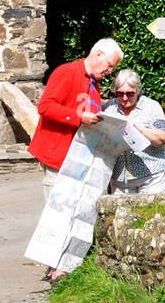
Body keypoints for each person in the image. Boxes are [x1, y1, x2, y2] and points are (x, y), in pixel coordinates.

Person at [26, 38, 122, 280]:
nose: (109, 72)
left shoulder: (95, 85)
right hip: (58, 154)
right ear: (98, 54)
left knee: (75, 208)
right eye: (109, 66)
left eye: (112, 68)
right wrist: (78, 118)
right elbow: (45, 106)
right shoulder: (67, 72)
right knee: (58, 208)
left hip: (79, 157)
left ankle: (63, 264)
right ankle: (55, 264)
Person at [101, 70, 165, 195]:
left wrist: (141, 131)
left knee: (152, 213)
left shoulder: (152, 107)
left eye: (130, 93)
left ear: (138, 90)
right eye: (120, 93)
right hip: (119, 179)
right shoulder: (108, 108)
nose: (125, 98)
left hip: (152, 175)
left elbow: (163, 138)